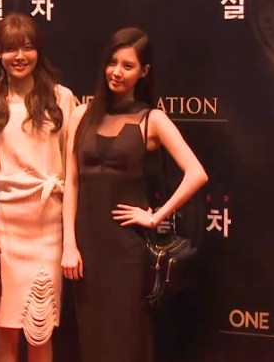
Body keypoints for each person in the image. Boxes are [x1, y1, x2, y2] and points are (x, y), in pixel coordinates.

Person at [61, 27, 209, 362]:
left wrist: (155, 216)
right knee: (92, 334)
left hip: (127, 248)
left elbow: (196, 173)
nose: (117, 72)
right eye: (112, 62)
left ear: (144, 71)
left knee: (127, 335)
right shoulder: (81, 115)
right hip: (85, 246)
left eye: (128, 66)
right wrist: (69, 244)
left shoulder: (152, 119)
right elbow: (71, 182)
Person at [0, 12, 75, 362]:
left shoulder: (61, 99)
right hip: (3, 232)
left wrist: (70, 237)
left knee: (41, 330)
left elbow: (72, 168)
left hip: (48, 229)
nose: (19, 56)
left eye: (27, 47)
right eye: (10, 49)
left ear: (38, 51)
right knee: (6, 330)